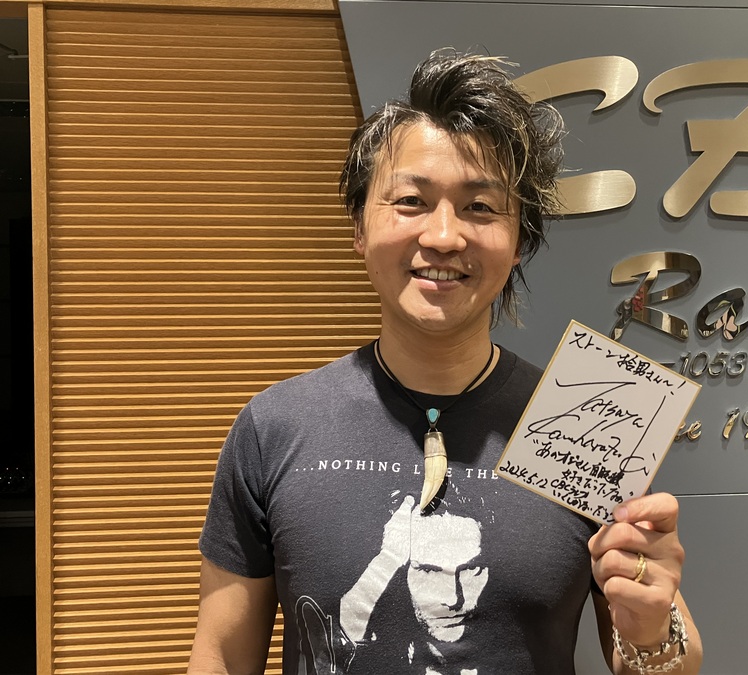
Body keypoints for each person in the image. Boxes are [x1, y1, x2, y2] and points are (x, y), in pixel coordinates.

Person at [188, 49, 703, 675]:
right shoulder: (275, 427)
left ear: (519, 241)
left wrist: (652, 629)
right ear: (359, 227)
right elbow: (220, 655)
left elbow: (663, 660)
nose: (442, 236)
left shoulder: (589, 420)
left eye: (480, 207)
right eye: (411, 200)